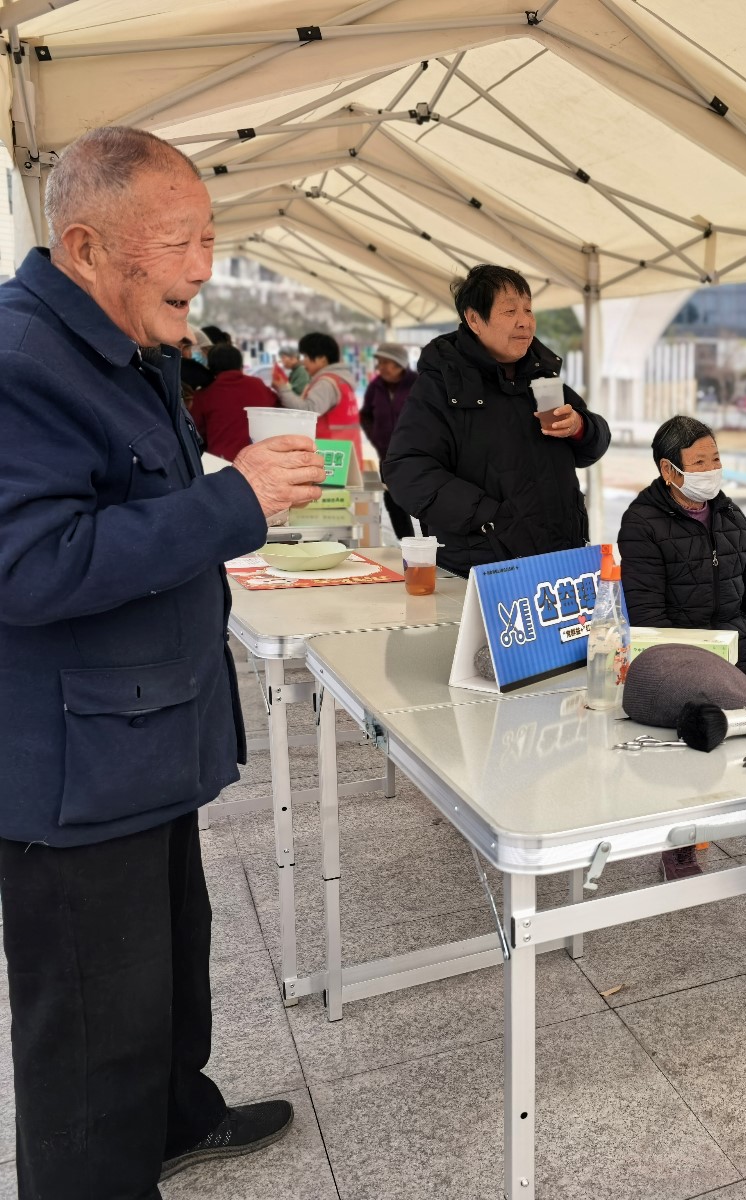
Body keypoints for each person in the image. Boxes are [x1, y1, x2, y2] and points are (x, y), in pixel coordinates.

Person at [0, 125, 329, 1198]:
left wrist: (228, 487)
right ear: (86, 247)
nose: (203, 265)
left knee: (170, 969)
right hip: (76, 769)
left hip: (140, 738)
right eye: (180, 241)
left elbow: (135, 502)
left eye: (210, 237)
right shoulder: (21, 361)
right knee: (94, 1023)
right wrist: (233, 502)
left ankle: (177, 1117)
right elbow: (30, 565)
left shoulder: (127, 346)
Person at [619, 415, 746, 880]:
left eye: (715, 458)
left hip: (745, 659)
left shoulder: (730, 515)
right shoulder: (641, 523)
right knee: (702, 727)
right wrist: (714, 678)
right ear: (669, 470)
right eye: (699, 462)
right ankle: (680, 838)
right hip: (683, 665)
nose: (712, 469)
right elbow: (649, 621)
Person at [383, 264, 610, 576]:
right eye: (510, 311)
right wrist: (489, 517)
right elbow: (407, 470)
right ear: (474, 319)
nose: (524, 321)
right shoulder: (442, 386)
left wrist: (580, 427)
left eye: (528, 309)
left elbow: (594, 447)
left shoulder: (541, 377)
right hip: (487, 569)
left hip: (560, 561)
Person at [361, 341, 417, 538]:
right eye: (379, 362)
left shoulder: (418, 383)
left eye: (385, 362)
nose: (380, 367)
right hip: (387, 456)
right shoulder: (375, 386)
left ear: (399, 363)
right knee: (393, 500)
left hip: (417, 456)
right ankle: (406, 542)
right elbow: (366, 414)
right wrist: (375, 436)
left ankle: (432, 545)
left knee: (423, 501)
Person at [189, 342, 279, 461]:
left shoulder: (204, 394)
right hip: (260, 459)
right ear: (240, 364)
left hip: (221, 463)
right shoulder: (258, 385)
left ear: (210, 367)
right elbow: (277, 409)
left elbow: (195, 432)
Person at [274, 330, 361, 444]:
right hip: (344, 448)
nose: (303, 362)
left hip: (329, 449)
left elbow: (308, 411)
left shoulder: (326, 383)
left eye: (306, 356)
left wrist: (283, 388)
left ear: (322, 360)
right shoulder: (341, 380)